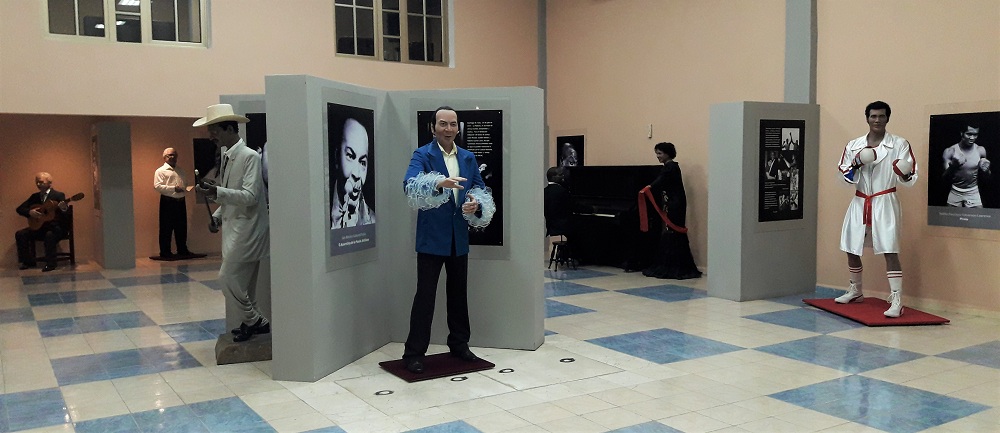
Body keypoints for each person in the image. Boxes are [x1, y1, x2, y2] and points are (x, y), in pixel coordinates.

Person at [401, 106, 495, 374]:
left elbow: (479, 189)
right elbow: (409, 184)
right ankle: (414, 353)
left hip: (458, 238)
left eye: (453, 124)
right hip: (431, 239)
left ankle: (460, 344)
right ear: (433, 127)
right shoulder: (423, 154)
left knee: (458, 295)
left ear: (458, 128)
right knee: (425, 297)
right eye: (443, 124)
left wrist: (476, 204)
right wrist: (438, 184)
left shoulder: (467, 157)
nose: (448, 129)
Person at [193, 104, 271, 343]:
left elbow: (250, 196)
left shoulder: (249, 156)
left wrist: (217, 191)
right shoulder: (228, 156)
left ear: (229, 128)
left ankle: (256, 321)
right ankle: (251, 323)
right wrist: (217, 216)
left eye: (214, 130)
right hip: (237, 230)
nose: (211, 135)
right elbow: (232, 195)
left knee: (227, 279)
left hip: (248, 232)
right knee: (245, 286)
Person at [834, 101, 918, 318]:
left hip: (885, 200)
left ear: (887, 118)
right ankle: (856, 290)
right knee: (851, 247)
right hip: (860, 200)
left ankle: (897, 299)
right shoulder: (854, 145)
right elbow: (843, 176)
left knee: (889, 248)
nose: (877, 120)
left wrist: (904, 173)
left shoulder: (899, 144)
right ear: (867, 118)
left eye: (881, 116)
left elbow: (911, 177)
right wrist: (856, 164)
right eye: (873, 116)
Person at [640, 142, 702, 280]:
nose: (657, 156)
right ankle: (669, 264)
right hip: (671, 203)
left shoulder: (671, 167)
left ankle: (674, 267)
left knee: (672, 233)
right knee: (669, 233)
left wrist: (648, 188)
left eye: (660, 153)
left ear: (668, 153)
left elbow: (660, 181)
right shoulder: (668, 167)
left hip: (675, 205)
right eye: (656, 153)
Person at [15, 172, 68, 272]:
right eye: (37, 182)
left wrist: (64, 208)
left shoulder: (58, 195)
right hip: (39, 228)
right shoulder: (34, 197)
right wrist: (30, 212)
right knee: (21, 234)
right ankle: (27, 261)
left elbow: (64, 213)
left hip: (55, 228)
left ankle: (51, 264)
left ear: (49, 182)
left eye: (41, 182)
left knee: (49, 235)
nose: (38, 184)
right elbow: (19, 209)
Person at [331, 118, 376, 228]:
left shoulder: (372, 220)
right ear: (337, 157)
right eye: (350, 156)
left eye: (362, 162)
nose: (357, 174)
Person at [153, 147, 195, 258]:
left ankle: (182, 249)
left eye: (174, 155)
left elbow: (184, 183)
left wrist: (185, 188)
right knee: (166, 227)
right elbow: (157, 186)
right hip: (168, 201)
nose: (173, 157)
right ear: (164, 157)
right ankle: (165, 252)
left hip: (180, 201)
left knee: (181, 227)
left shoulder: (181, 171)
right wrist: (173, 188)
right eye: (170, 155)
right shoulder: (160, 171)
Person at [942, 124, 991, 207]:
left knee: (979, 216)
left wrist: (986, 170)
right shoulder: (950, 151)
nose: (972, 138)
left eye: (975, 135)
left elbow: (987, 177)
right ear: (962, 133)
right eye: (969, 134)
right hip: (955, 191)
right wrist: (953, 166)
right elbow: (944, 178)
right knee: (949, 216)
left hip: (973, 191)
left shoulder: (980, 150)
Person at [543, 166, 573, 238]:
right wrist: (591, 209)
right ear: (553, 177)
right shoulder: (561, 191)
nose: (563, 177)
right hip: (563, 226)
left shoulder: (545, 191)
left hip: (551, 226)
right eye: (560, 175)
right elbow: (572, 206)